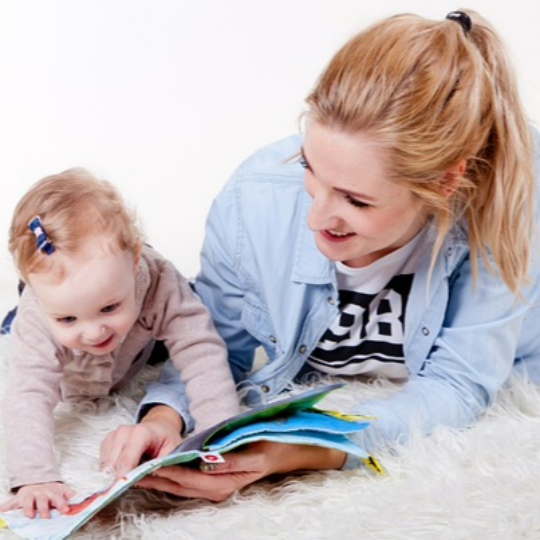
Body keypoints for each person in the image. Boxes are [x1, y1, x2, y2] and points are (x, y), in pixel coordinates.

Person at [86, 9, 540, 501]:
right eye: (309, 167)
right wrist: (164, 416)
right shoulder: (255, 199)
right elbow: (210, 338)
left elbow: (458, 385)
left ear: (446, 182)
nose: (316, 216)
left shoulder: (507, 205)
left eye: (356, 201)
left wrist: (307, 449)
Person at [0, 169, 240, 518]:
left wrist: (222, 434)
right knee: (15, 336)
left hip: (137, 344)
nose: (94, 332)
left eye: (108, 307)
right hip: (66, 359)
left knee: (194, 309)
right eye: (68, 318)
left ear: (135, 260)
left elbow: (199, 349)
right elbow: (28, 392)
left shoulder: (157, 278)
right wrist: (36, 478)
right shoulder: (37, 313)